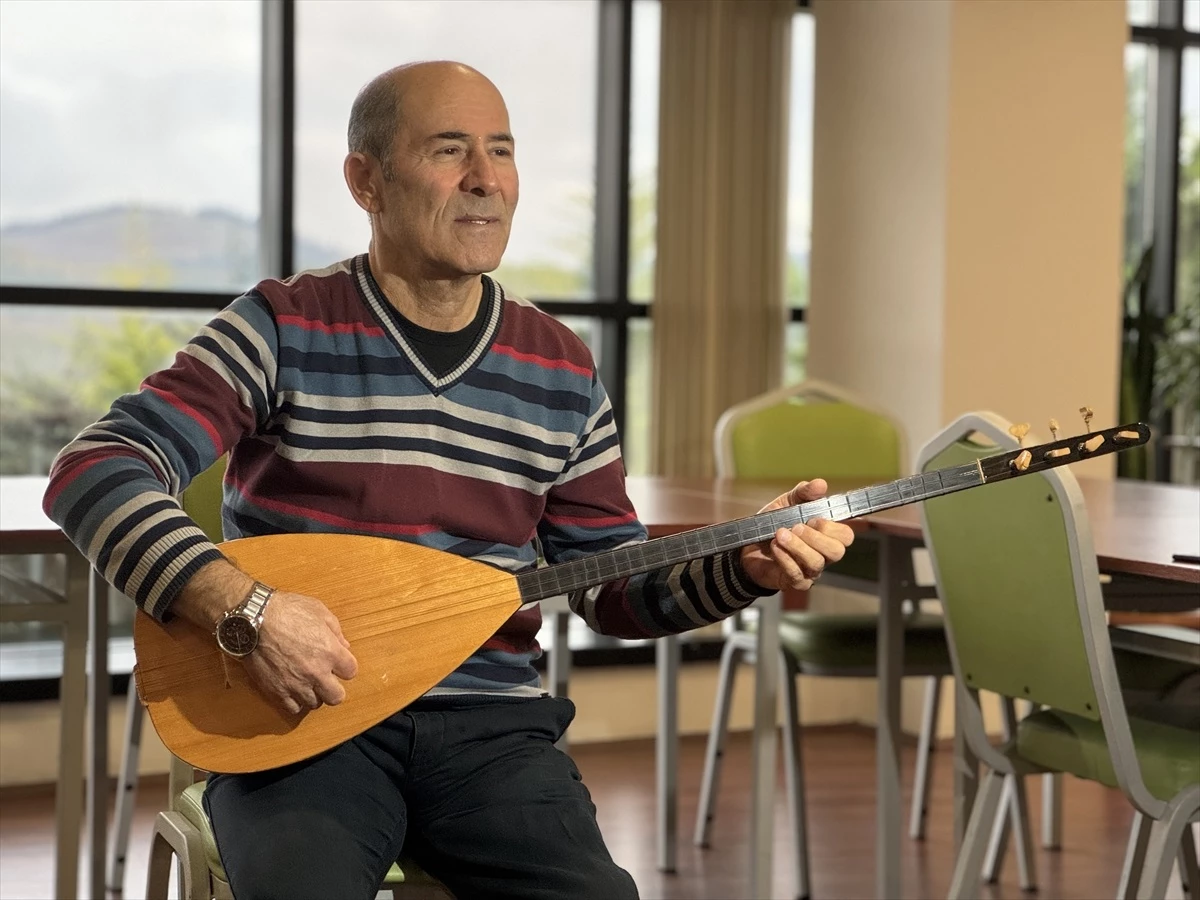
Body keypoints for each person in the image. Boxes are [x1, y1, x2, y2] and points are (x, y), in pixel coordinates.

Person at [43, 61, 855, 900]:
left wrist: (745, 567)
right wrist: (243, 607)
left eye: (501, 151)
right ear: (367, 180)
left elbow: (615, 590)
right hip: (303, 722)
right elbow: (95, 469)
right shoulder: (284, 325)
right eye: (449, 150)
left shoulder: (561, 367)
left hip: (490, 734)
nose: (484, 179)